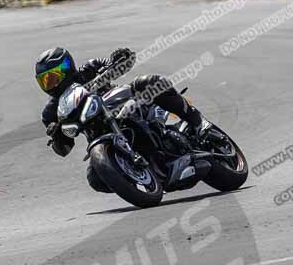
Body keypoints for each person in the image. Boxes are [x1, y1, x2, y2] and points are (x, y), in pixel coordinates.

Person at [35, 47, 208, 191]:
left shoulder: (88, 70)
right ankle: (143, 177)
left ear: (66, 68)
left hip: (124, 105)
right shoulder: (50, 112)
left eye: (54, 77)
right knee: (95, 178)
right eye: (46, 81)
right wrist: (57, 136)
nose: (52, 84)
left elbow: (124, 62)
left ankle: (198, 122)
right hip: (98, 134)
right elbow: (64, 148)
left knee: (148, 82)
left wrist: (118, 58)